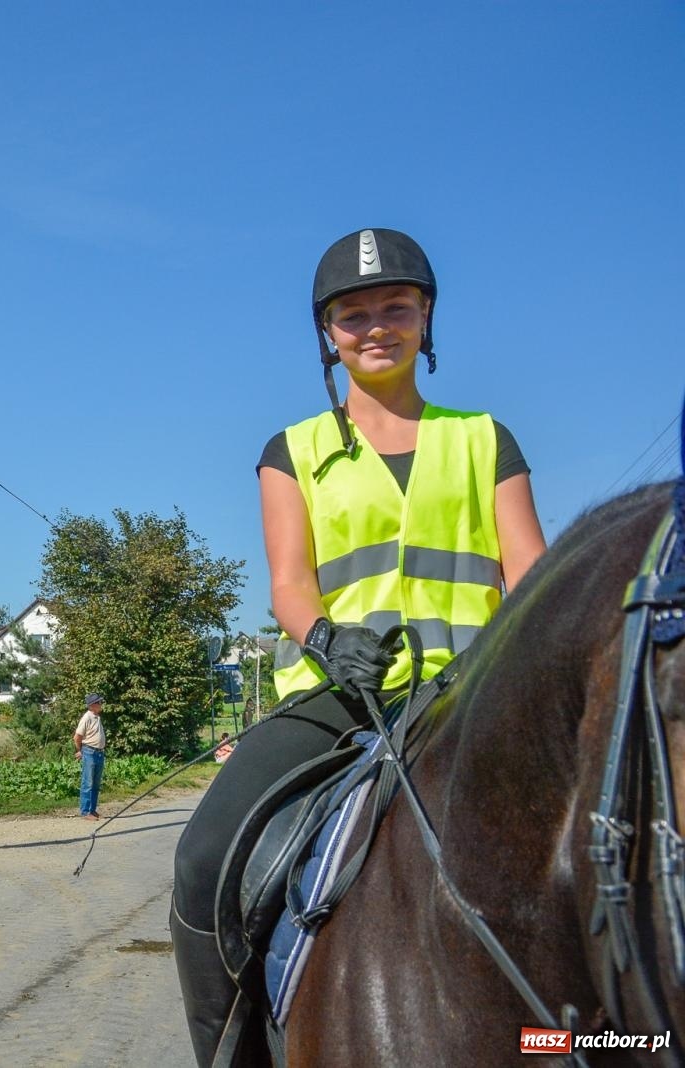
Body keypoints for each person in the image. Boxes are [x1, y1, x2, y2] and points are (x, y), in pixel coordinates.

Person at [168, 228, 547, 1065]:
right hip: (339, 696)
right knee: (201, 861)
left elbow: (531, 573)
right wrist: (326, 637)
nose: (376, 325)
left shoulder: (487, 439)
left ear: (426, 319)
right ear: (328, 336)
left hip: (472, 694)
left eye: (396, 307)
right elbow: (290, 583)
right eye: (353, 314)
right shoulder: (291, 451)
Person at [73, 694, 107, 819]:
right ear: (92, 705)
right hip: (90, 752)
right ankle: (85, 811)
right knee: (87, 783)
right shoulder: (87, 717)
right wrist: (80, 750)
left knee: (96, 784)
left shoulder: (97, 717)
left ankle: (92, 810)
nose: (101, 704)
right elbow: (77, 737)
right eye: (98, 702)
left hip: (99, 753)